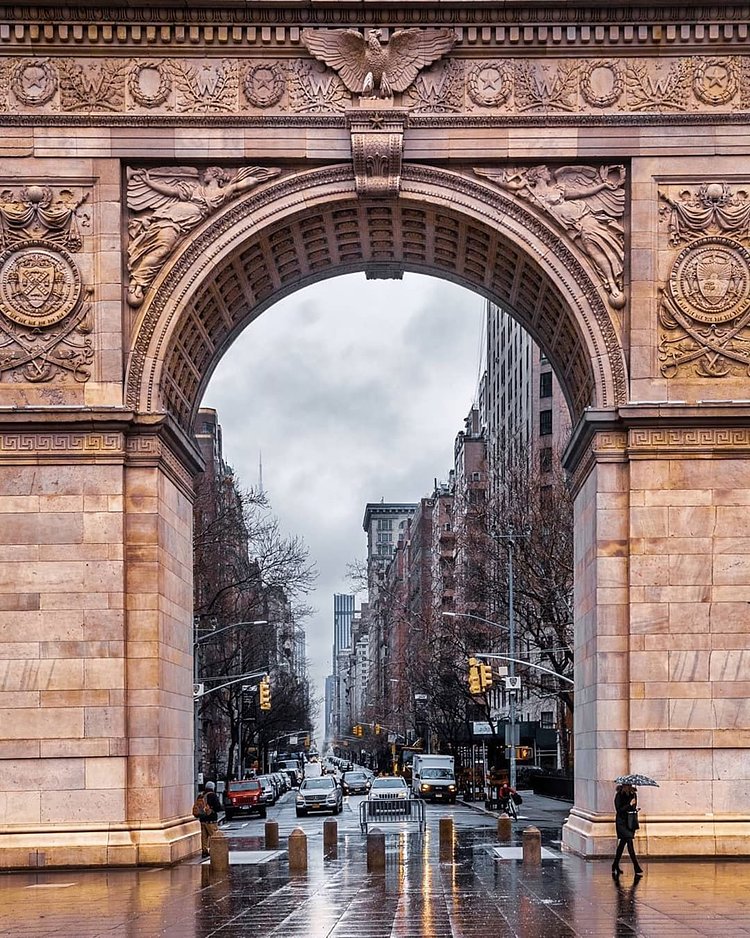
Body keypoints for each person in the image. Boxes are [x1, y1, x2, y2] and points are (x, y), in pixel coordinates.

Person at [613, 783, 643, 876]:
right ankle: (636, 866)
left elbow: (632, 807)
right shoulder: (619, 795)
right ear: (624, 786)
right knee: (629, 842)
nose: (630, 787)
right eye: (628, 786)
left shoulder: (633, 794)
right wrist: (629, 805)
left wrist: (635, 808)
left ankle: (615, 864)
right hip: (622, 822)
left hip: (630, 822)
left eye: (630, 786)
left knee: (622, 844)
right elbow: (619, 810)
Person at [199, 781, 222, 858]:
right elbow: (218, 807)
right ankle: (215, 851)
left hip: (202, 819)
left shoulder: (201, 795)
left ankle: (204, 851)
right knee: (214, 836)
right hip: (211, 820)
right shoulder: (213, 795)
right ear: (213, 787)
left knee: (204, 837)